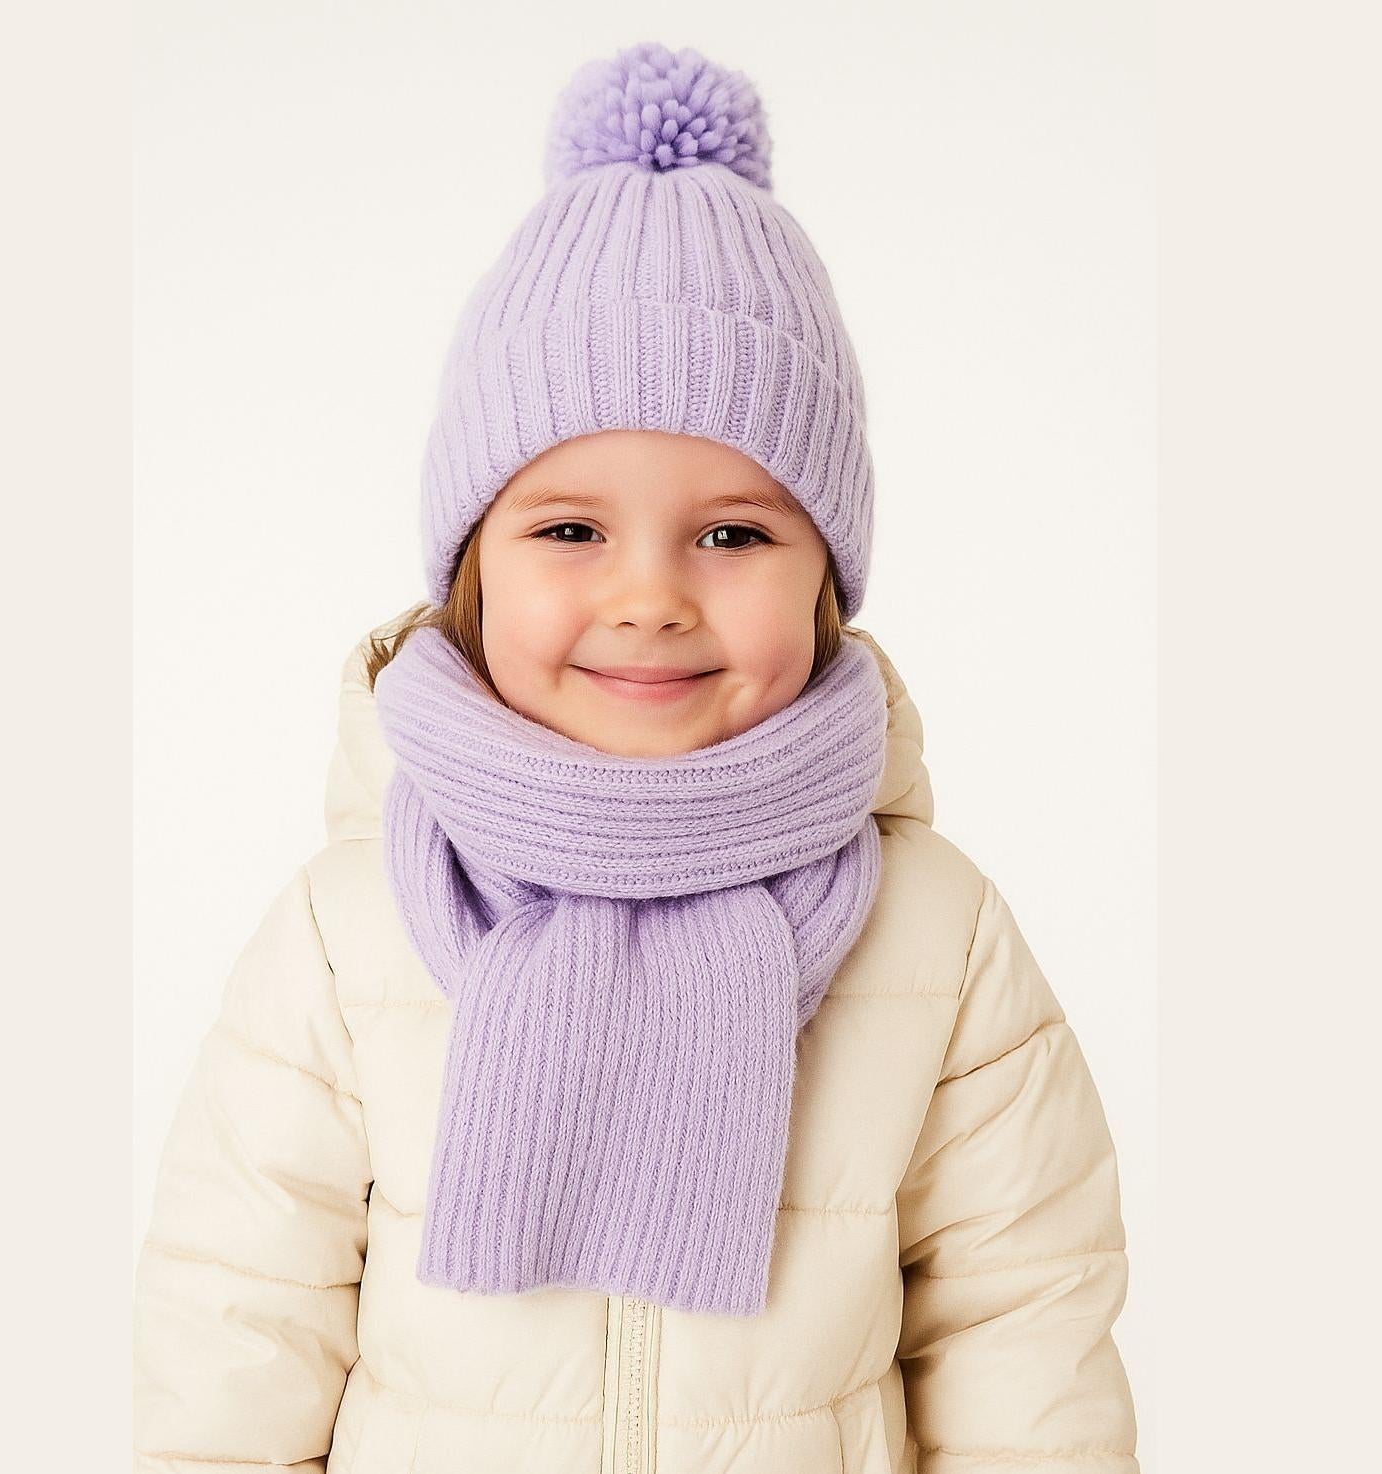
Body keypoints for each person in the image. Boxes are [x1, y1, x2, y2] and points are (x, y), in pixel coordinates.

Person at [132, 39, 1141, 1474]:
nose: (651, 592)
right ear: (473, 560)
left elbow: (1019, 1328)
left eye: (734, 533)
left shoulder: (938, 933)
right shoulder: (345, 929)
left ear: (824, 577)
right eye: (569, 528)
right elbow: (231, 1331)